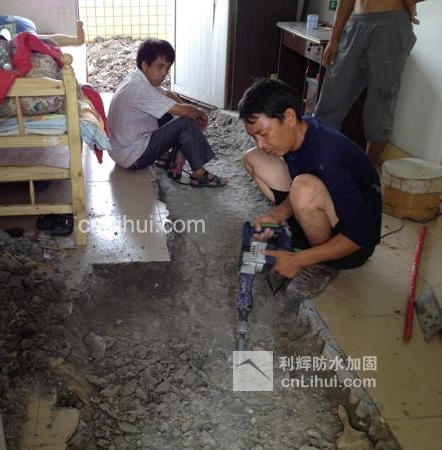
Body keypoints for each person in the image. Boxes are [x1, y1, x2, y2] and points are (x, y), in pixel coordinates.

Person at [239, 79, 382, 300]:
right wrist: (276, 215)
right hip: (326, 204)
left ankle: (322, 264)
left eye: (264, 134)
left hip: (352, 243)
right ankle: (303, 235)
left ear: (289, 118)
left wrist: (297, 260)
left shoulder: (328, 154)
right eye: (254, 136)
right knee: (253, 158)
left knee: (303, 188)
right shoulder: (301, 130)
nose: (260, 143)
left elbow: (363, 235)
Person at [314, 0, 424, 164]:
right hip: (356, 22)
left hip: (391, 24)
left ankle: (366, 170)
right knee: (329, 103)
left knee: (378, 111)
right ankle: (319, 164)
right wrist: (334, 37)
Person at [107, 38, 226, 187]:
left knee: (169, 110)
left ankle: (164, 157)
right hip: (133, 157)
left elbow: (166, 94)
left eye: (167, 67)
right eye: (159, 66)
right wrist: (199, 113)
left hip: (121, 151)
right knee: (186, 121)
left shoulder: (136, 79)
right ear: (145, 65)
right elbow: (185, 112)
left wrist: (187, 108)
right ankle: (200, 175)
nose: (164, 73)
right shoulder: (140, 89)